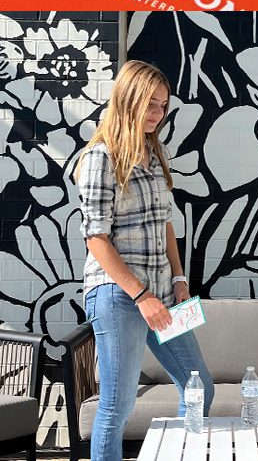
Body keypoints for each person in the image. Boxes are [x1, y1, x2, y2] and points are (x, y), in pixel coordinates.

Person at [74, 60, 214, 461]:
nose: (157, 113)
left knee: (198, 387)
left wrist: (179, 280)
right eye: (150, 103)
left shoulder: (156, 151)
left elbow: (165, 222)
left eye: (163, 106)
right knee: (117, 407)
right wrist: (141, 296)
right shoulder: (102, 157)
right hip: (119, 297)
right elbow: (96, 238)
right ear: (128, 100)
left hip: (160, 295)